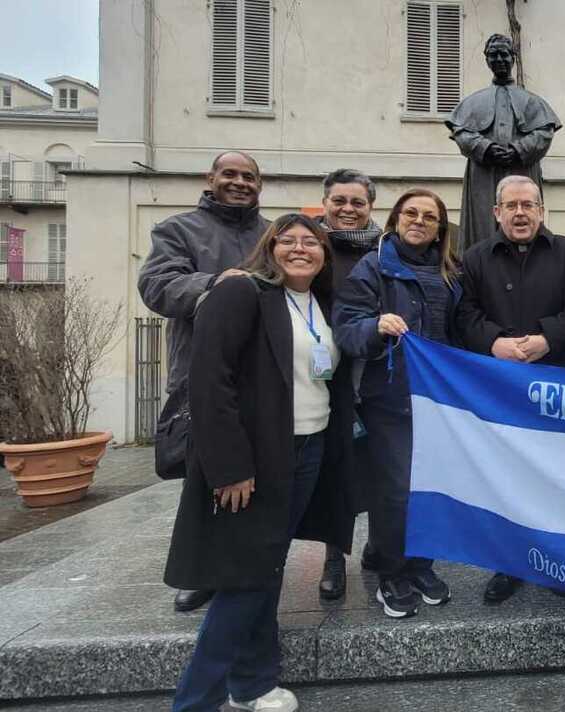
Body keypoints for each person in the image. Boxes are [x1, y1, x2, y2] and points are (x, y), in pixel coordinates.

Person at [165, 214, 353, 712]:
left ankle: (251, 683)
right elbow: (209, 382)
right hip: (257, 458)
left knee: (265, 568)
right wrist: (229, 467)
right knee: (247, 576)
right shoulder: (241, 293)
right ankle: (195, 701)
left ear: (324, 255)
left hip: (309, 449)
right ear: (269, 249)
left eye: (310, 242)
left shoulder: (323, 303)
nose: (298, 249)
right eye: (286, 240)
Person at [138, 151, 269, 614]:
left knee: (254, 473)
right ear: (210, 178)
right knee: (203, 475)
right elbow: (157, 287)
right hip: (203, 371)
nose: (239, 182)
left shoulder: (270, 234)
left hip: (262, 376)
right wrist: (216, 284)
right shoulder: (178, 230)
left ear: (260, 184)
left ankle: (248, 562)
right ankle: (201, 572)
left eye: (248, 176)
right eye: (229, 174)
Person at [457, 174, 565, 603]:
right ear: (496, 212)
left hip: (557, 385)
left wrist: (546, 338)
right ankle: (510, 563)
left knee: (558, 474)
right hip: (499, 389)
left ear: (541, 209)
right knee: (506, 476)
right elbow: (463, 312)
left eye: (528, 205)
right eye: (511, 206)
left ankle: (557, 561)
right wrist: (494, 341)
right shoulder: (474, 258)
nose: (520, 213)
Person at [334, 188, 462, 619]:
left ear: (439, 228)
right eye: (411, 213)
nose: (419, 221)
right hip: (389, 400)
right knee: (393, 492)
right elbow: (347, 328)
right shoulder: (374, 267)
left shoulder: (450, 273)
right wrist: (375, 326)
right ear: (395, 220)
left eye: (430, 216)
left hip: (439, 403)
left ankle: (420, 565)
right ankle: (391, 571)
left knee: (430, 490)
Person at [315, 168, 385, 601]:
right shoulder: (307, 244)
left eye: (357, 202)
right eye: (339, 200)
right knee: (332, 468)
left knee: (378, 464)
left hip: (370, 368)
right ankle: (333, 556)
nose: (347, 209)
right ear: (325, 203)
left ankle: (377, 547)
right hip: (319, 372)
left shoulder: (384, 249)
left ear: (370, 208)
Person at [446, 33, 562, 252]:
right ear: (487, 60)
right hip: (483, 174)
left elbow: (544, 133)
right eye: (493, 55)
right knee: (481, 226)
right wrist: (485, 147)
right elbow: (461, 132)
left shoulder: (531, 101)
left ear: (513, 57)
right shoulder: (473, 102)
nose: (499, 60)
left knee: (524, 215)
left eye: (504, 54)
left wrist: (518, 149)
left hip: (522, 168)